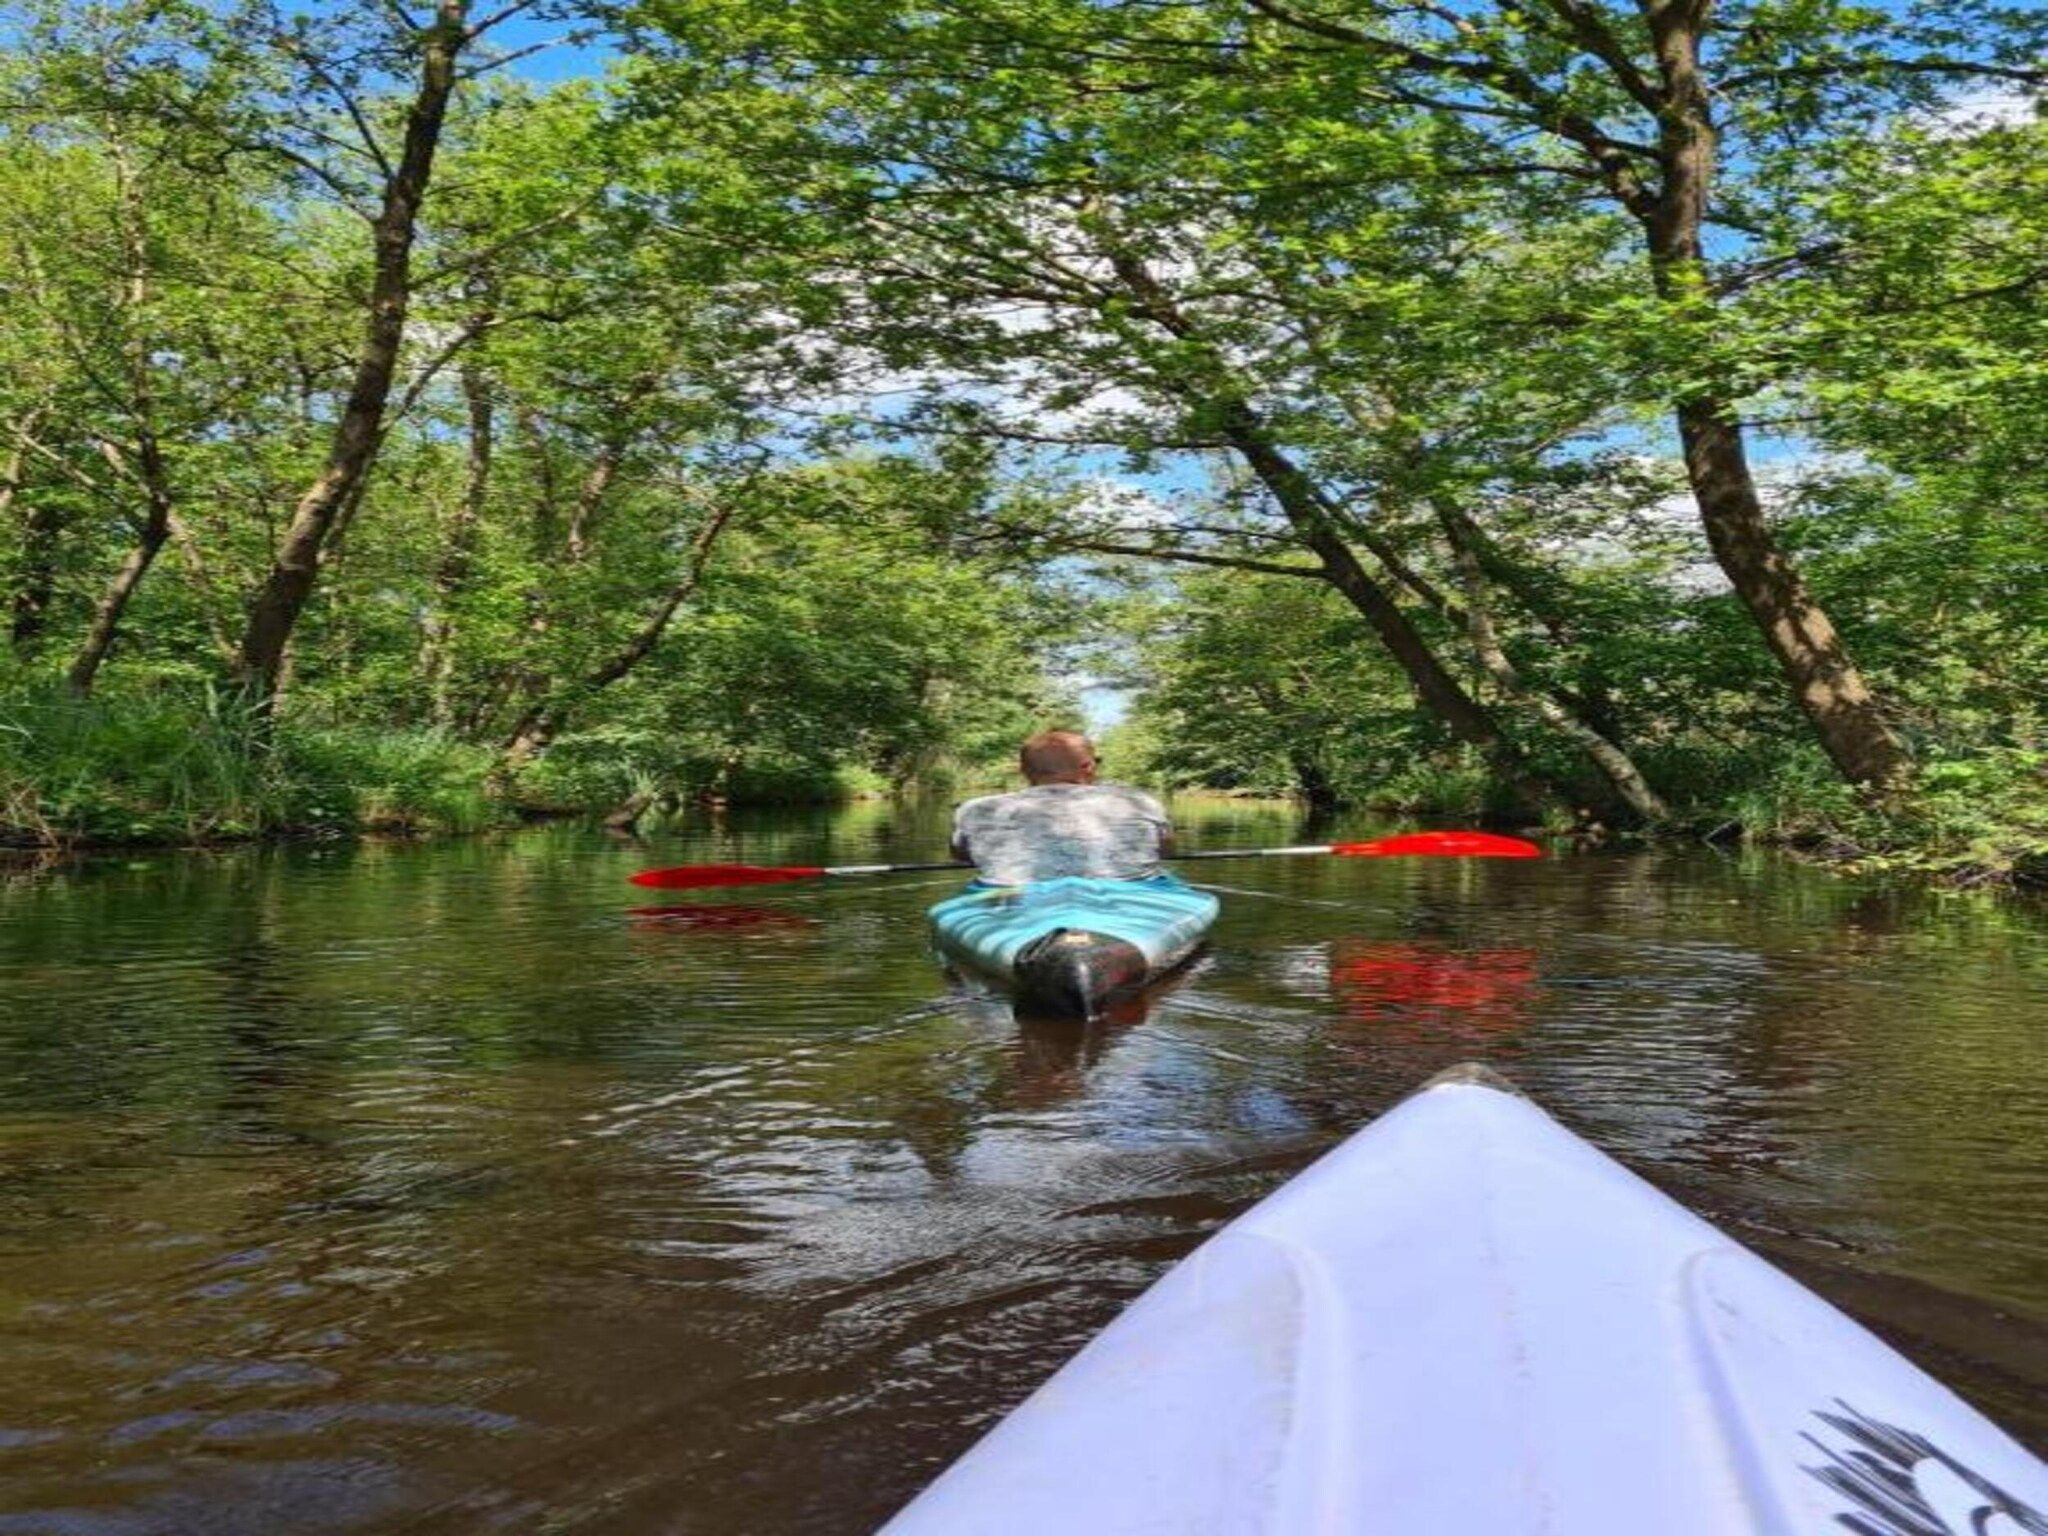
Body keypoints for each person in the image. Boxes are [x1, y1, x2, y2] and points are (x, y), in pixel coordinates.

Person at [951, 730, 1174, 885]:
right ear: (1088, 766)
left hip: (1015, 898)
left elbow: (962, 855)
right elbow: (1165, 851)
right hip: (1127, 895)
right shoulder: (1139, 802)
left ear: (1024, 770)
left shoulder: (976, 809)